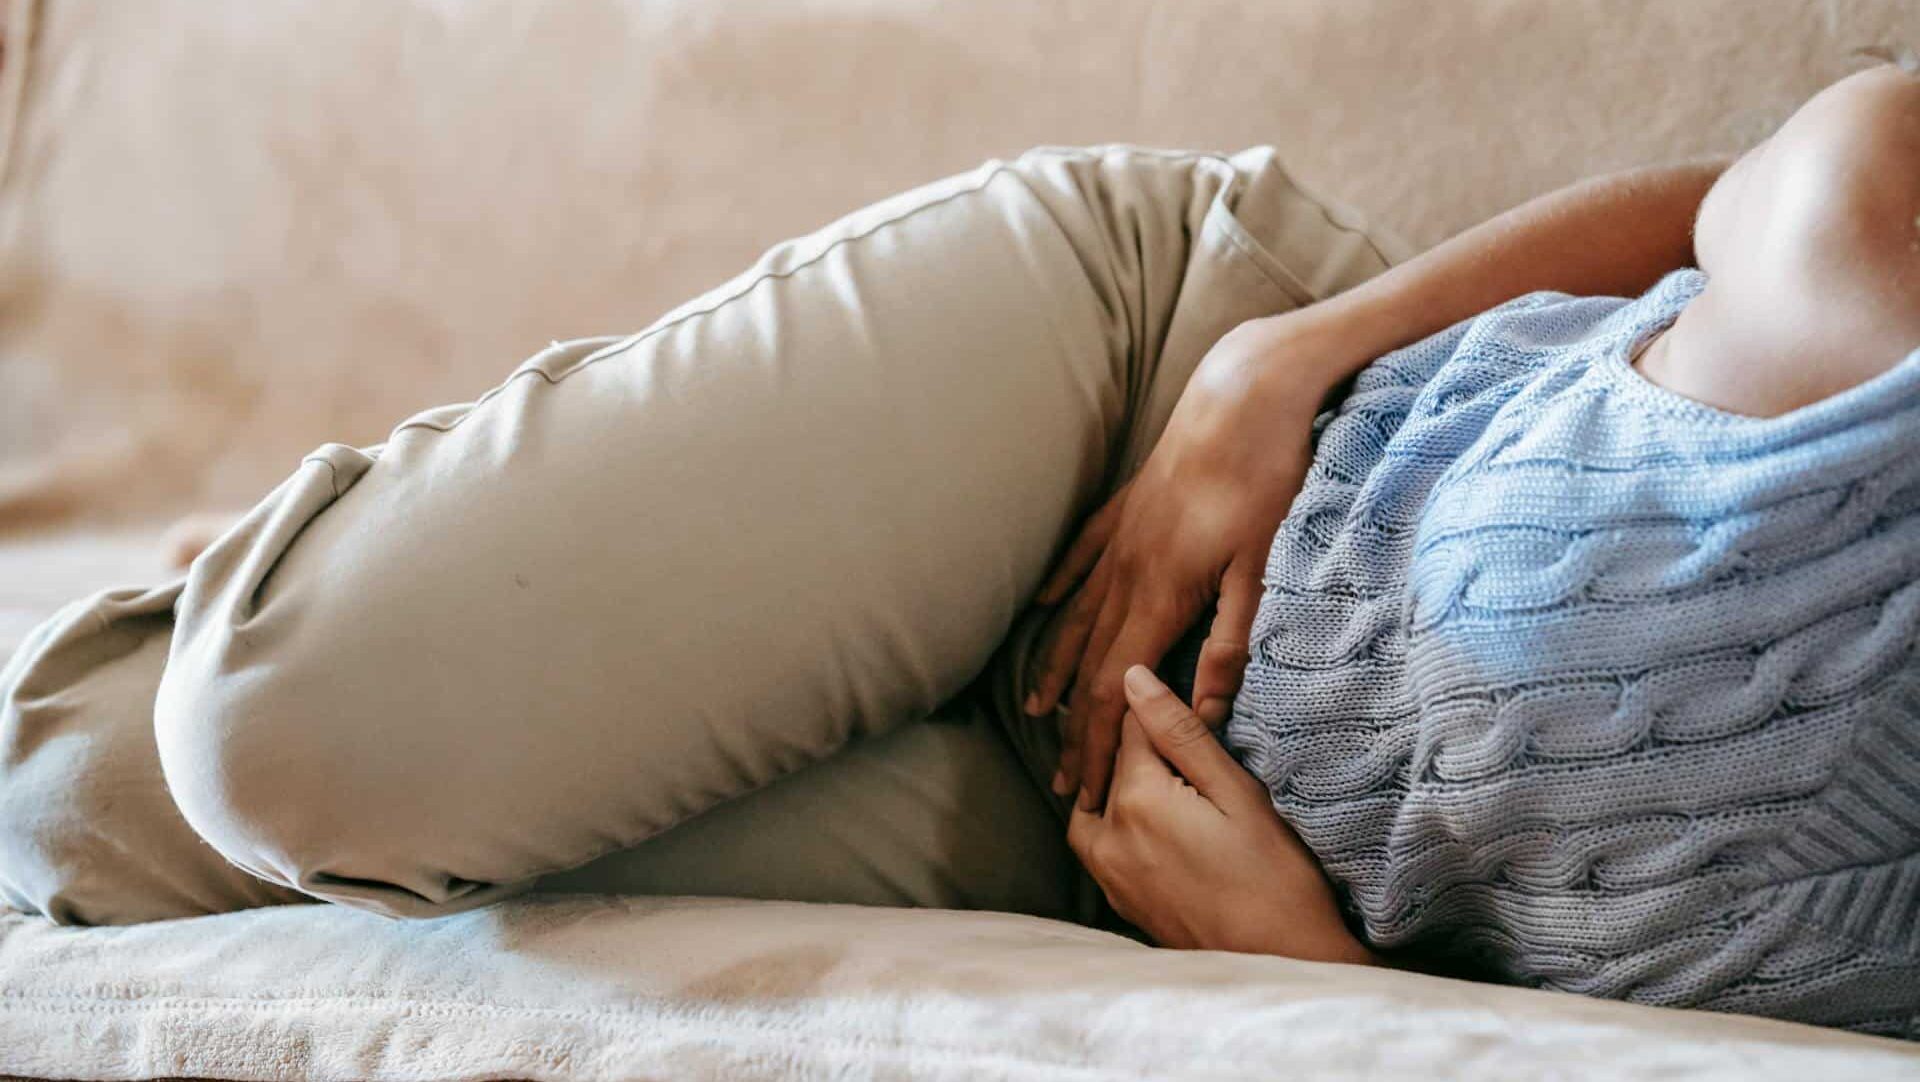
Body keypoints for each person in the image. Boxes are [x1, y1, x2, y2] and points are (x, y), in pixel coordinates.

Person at [1, 59, 1913, 1036]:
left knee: (71, 808)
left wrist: (1320, 973)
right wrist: (1284, 357)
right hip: (1152, 414)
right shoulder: (1882, 227)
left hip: (1111, 848)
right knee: (270, 729)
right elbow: (1742, 192)